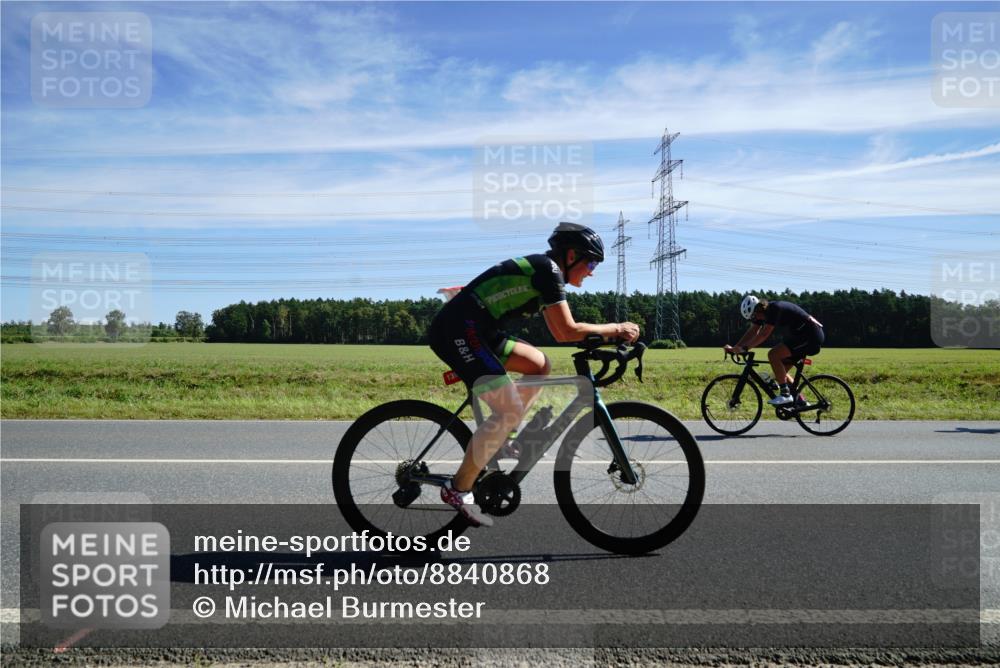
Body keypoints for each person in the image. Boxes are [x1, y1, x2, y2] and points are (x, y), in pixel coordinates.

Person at [427, 222, 641, 527]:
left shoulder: (547, 272)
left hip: (480, 329)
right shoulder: (548, 271)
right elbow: (566, 331)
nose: (592, 271)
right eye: (591, 262)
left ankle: (502, 435)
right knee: (509, 408)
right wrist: (616, 330)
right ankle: (458, 488)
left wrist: (608, 336)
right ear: (571, 256)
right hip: (458, 330)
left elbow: (559, 331)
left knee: (539, 365)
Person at [724, 295, 825, 406]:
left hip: (810, 336)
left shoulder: (774, 309)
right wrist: (735, 348)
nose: (754, 320)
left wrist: (745, 348)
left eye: (753, 316)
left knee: (773, 355)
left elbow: (764, 334)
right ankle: (800, 401)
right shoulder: (762, 314)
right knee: (780, 374)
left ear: (758, 310)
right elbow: (753, 331)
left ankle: (785, 395)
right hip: (800, 336)